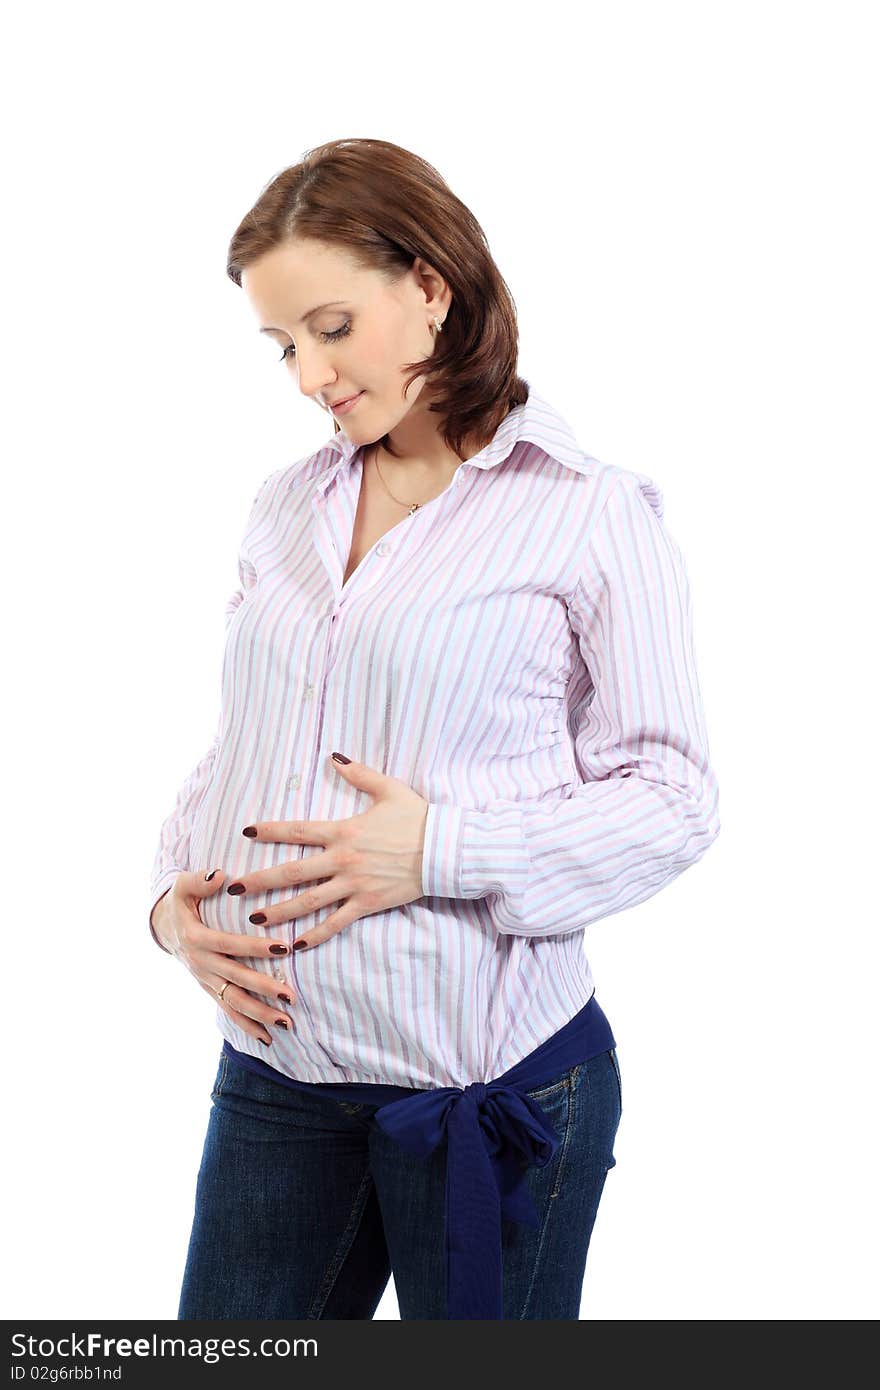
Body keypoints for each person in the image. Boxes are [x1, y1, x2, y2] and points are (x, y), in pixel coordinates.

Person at [148, 137, 721, 1321]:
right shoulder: (284, 504)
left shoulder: (589, 514)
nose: (309, 373)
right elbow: (239, 744)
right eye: (283, 345)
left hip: (481, 1090)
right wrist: (173, 909)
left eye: (330, 325)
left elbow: (671, 795)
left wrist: (438, 851)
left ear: (428, 288)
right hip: (278, 1074)